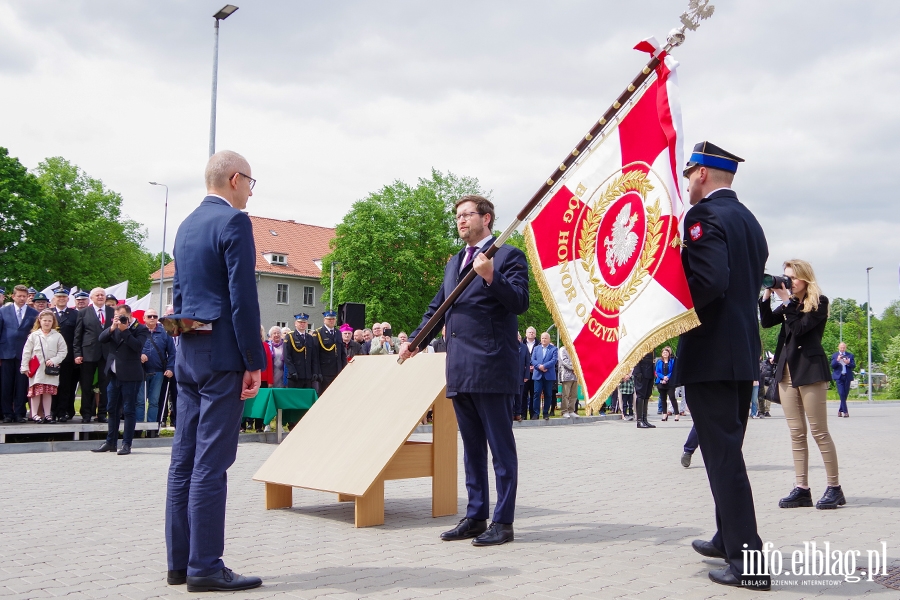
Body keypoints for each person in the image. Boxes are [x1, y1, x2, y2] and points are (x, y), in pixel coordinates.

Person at [400, 194, 529, 546]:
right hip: (459, 367)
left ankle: (503, 522)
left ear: (486, 219)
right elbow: (437, 307)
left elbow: (519, 300)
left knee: (500, 450)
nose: (460, 221)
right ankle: (475, 516)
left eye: (467, 215)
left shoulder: (507, 256)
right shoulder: (455, 261)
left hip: (491, 365)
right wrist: (415, 342)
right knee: (471, 449)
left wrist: (491, 277)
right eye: (457, 216)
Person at [164, 150, 265, 592]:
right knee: (212, 462)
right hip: (223, 355)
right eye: (251, 183)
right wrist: (253, 361)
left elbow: (181, 294)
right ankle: (206, 565)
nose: (250, 192)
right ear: (235, 179)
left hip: (187, 351)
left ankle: (180, 564)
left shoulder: (185, 226)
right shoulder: (234, 222)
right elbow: (243, 298)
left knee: (182, 460)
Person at [673, 141, 770, 590]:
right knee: (724, 454)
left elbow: (709, 281)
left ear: (702, 175)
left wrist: (670, 302)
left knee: (724, 459)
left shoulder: (703, 217)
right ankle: (726, 537)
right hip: (740, 352)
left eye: (689, 171)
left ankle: (748, 564)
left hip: (711, 353)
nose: (686, 179)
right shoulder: (749, 220)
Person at [760, 259, 844, 510]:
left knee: (819, 432)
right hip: (786, 373)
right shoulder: (790, 304)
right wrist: (767, 293)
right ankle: (802, 489)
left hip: (810, 371)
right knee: (796, 433)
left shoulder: (819, 302)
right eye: (785, 277)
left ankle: (834, 488)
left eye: (793, 278)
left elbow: (799, 328)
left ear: (806, 278)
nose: (789, 282)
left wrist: (786, 300)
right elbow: (766, 322)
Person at [91, 304, 150, 455]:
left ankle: (126, 444)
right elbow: (101, 338)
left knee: (129, 410)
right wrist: (112, 327)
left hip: (131, 375)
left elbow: (137, 346)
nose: (120, 320)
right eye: (117, 317)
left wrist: (125, 331)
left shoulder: (140, 328)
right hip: (113, 375)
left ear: (129, 316)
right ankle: (110, 442)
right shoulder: (114, 327)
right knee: (112, 409)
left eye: (122, 317)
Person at [74, 287, 115, 423]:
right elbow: (78, 335)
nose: (100, 297)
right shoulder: (84, 313)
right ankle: (86, 413)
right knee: (86, 385)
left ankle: (102, 413)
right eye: (97, 295)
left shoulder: (112, 312)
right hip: (88, 353)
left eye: (102, 295)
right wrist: (77, 353)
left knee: (104, 385)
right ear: (91, 298)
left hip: (107, 353)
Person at [0, 285, 39, 423]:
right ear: (13, 296)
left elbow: (35, 334)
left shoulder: (33, 313)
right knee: (6, 385)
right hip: (6, 353)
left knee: (22, 385)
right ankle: (7, 413)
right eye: (19, 296)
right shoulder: (3, 311)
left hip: (24, 354)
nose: (22, 299)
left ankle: (19, 413)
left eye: (25, 296)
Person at [20, 310, 68, 422]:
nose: (47, 323)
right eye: (44, 320)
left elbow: (63, 351)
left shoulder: (57, 336)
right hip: (36, 369)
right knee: (36, 392)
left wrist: (54, 360)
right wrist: (25, 367)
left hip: (50, 369)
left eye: (49, 321)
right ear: (39, 321)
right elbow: (26, 351)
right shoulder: (34, 335)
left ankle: (47, 414)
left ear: (53, 322)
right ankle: (35, 414)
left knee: (48, 392)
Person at [138, 308, 176, 436]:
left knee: (154, 401)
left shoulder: (164, 333)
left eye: (155, 316)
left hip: (158, 372)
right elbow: (131, 348)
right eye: (149, 316)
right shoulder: (139, 332)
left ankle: (152, 429)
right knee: (140, 401)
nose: (152, 318)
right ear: (144, 318)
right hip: (141, 372)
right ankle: (137, 429)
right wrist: (139, 355)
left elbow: (172, 353)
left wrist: (170, 368)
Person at [51, 288, 78, 422]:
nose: (61, 299)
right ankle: (51, 411)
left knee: (65, 386)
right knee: (51, 385)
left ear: (68, 299)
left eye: (64, 297)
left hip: (68, 357)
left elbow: (77, 336)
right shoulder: (49, 313)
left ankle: (62, 412)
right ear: (54, 298)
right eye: (58, 297)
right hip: (51, 357)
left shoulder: (74, 314)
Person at [284, 314, 319, 391]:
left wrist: (315, 372)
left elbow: (314, 357)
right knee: (294, 399)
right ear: (295, 323)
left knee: (306, 400)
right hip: (295, 376)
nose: (302, 324)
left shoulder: (310, 338)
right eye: (300, 322)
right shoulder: (290, 337)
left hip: (307, 375)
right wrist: (292, 371)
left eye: (304, 322)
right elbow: (287, 356)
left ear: (307, 324)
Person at [313, 310, 346, 392]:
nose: (331, 321)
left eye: (333, 319)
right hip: (325, 371)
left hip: (337, 369)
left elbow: (342, 352)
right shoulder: (318, 333)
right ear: (324, 320)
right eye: (329, 319)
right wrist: (317, 372)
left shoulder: (338, 333)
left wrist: (344, 368)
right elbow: (315, 355)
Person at [530, 332, 557, 420]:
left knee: (548, 394)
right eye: (542, 338)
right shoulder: (536, 348)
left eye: (546, 338)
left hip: (548, 375)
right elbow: (532, 359)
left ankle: (546, 413)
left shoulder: (554, 349)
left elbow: (554, 360)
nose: (544, 340)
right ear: (540, 339)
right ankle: (536, 413)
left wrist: (544, 366)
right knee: (536, 394)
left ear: (549, 339)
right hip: (538, 374)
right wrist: (539, 367)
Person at [831, 342, 855, 418]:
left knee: (845, 394)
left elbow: (853, 365)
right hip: (839, 377)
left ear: (845, 348)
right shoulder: (835, 355)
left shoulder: (850, 355)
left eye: (843, 347)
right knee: (841, 393)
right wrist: (837, 360)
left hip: (847, 376)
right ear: (838, 347)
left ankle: (840, 410)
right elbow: (832, 366)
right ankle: (845, 412)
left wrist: (848, 363)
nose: (842, 349)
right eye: (841, 347)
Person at [633, 352, 656, 429]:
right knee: (641, 395)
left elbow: (652, 360)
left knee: (646, 395)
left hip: (649, 372)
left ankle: (644, 419)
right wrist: (638, 371)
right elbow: (635, 357)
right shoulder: (640, 342)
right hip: (641, 372)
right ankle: (639, 421)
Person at [655, 347, 678, 421]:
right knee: (663, 398)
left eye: (666, 352)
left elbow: (674, 370)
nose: (665, 354)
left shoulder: (672, 361)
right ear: (662, 354)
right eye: (663, 352)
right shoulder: (659, 362)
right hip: (661, 382)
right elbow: (657, 371)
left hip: (670, 382)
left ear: (669, 354)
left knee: (672, 397)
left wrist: (667, 377)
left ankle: (677, 414)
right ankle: (664, 414)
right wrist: (663, 377)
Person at [520, 327, 537, 419]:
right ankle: (523, 414)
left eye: (533, 332)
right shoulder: (521, 344)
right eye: (529, 332)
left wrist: (535, 366)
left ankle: (533, 414)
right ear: (526, 334)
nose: (531, 333)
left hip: (536, 373)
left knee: (534, 394)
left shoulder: (539, 344)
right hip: (523, 373)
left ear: (535, 334)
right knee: (523, 394)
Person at [557, 344, 577, 418]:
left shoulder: (576, 349)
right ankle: (564, 411)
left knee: (574, 395)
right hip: (566, 375)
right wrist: (574, 367)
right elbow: (564, 361)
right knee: (566, 394)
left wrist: (577, 369)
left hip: (575, 376)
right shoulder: (562, 349)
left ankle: (571, 410)